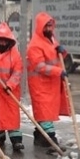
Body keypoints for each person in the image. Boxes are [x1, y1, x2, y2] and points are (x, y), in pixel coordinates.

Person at [26, 12, 70, 149]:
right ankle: (51, 140)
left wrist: (62, 51)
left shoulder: (51, 40)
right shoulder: (35, 45)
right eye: (46, 27)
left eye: (51, 26)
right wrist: (59, 72)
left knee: (47, 113)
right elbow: (39, 66)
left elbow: (55, 58)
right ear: (40, 27)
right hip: (40, 85)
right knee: (44, 113)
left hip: (51, 84)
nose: (49, 29)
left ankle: (40, 137)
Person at [0, 22, 24, 152]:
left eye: (5, 40)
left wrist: (10, 85)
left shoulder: (14, 54)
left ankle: (16, 140)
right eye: (0, 40)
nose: (2, 43)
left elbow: (17, 71)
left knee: (12, 116)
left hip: (9, 91)